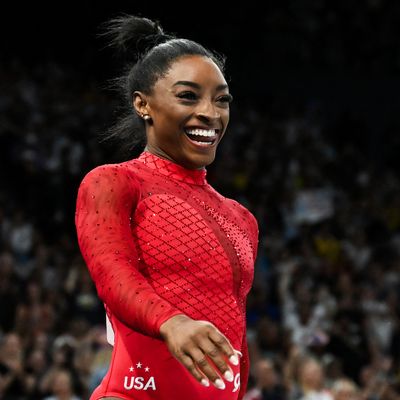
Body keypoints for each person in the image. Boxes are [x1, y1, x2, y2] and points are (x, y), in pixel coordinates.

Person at [74, 14, 259, 400]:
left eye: (222, 99)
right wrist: (172, 323)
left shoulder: (242, 218)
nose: (210, 113)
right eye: (188, 96)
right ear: (143, 104)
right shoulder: (114, 182)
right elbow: (113, 276)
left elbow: (235, 332)